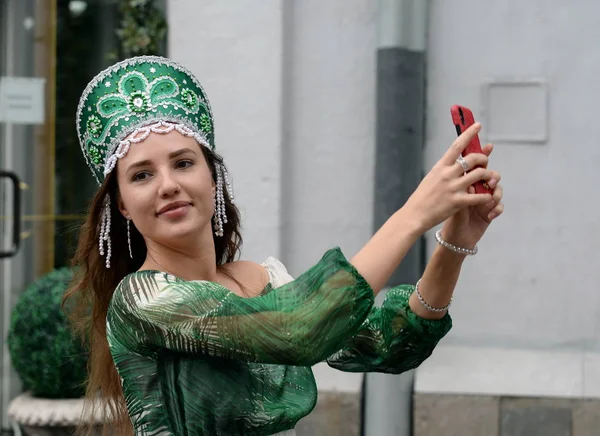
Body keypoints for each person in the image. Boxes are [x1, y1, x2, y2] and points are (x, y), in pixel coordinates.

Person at [64, 55, 503, 436]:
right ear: (121, 204)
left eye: (183, 163)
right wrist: (413, 214)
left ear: (212, 177)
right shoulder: (143, 299)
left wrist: (453, 240)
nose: (169, 185)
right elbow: (299, 330)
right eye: (142, 175)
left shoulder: (262, 281)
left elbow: (383, 342)